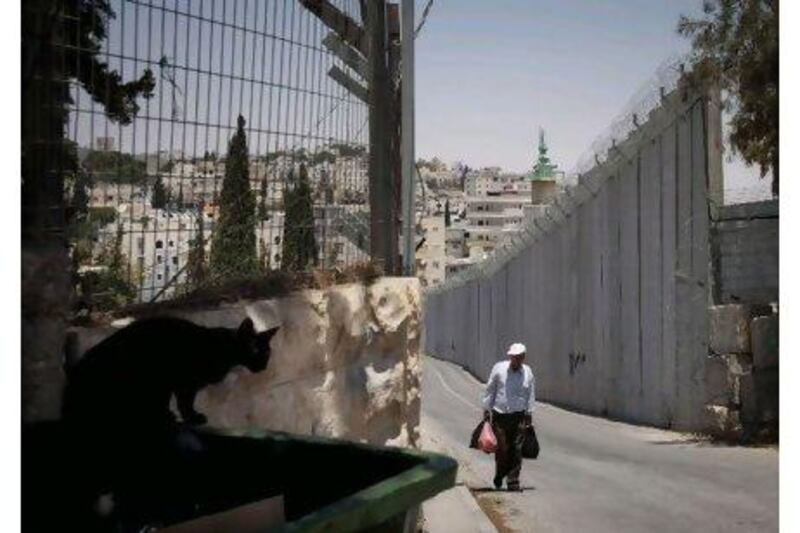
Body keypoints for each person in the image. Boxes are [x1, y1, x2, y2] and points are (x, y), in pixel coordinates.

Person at [482, 342, 535, 491]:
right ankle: (500, 474)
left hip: (519, 416)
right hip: (500, 416)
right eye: (513, 357)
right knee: (502, 449)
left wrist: (529, 412)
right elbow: (490, 389)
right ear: (510, 357)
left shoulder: (527, 372)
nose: (515, 360)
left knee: (517, 449)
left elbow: (530, 393)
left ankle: (513, 480)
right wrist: (486, 409)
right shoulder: (499, 369)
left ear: (523, 357)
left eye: (518, 358)